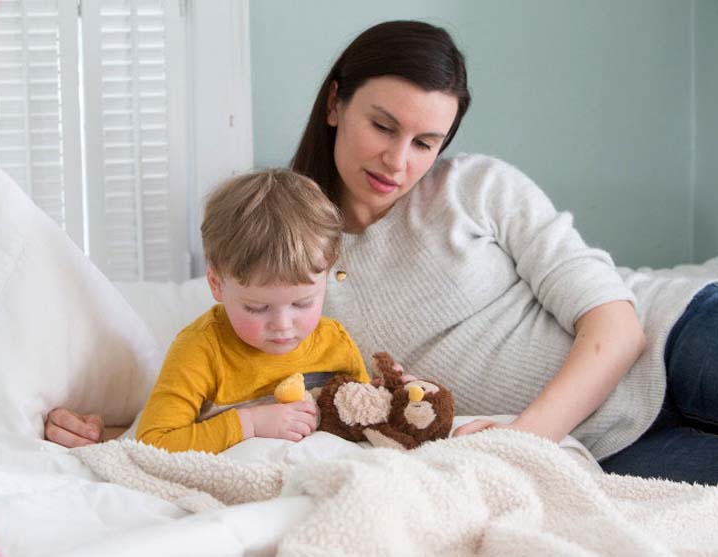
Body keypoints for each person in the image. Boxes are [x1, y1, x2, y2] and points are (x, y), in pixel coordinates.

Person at [45, 20, 718, 484]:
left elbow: (617, 324)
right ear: (336, 102)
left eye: (426, 142)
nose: (399, 161)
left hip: (673, 335)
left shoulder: (479, 186)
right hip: (614, 444)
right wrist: (106, 432)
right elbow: (213, 384)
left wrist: (524, 440)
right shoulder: (287, 263)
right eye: (383, 126)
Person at [133, 168, 369, 453]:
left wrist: (398, 397)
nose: (282, 325)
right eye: (257, 308)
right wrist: (250, 424)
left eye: (302, 303)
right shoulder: (200, 351)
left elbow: (368, 415)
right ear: (216, 285)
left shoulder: (335, 343)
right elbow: (153, 441)